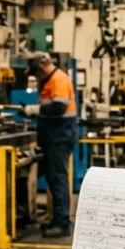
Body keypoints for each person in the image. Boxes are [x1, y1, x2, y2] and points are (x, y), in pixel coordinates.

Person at [24, 52, 78, 238]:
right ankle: (57, 218)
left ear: (41, 67)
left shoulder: (59, 79)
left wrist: (34, 110)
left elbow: (59, 107)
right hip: (52, 136)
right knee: (52, 179)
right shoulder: (48, 81)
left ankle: (63, 224)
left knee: (58, 178)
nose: (35, 77)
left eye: (36, 73)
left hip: (60, 137)